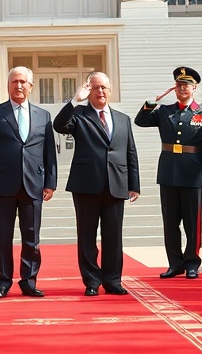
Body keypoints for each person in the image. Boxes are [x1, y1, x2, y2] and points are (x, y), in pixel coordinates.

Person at [56, 72, 139, 295]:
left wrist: (134, 184)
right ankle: (92, 281)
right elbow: (59, 125)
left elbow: (130, 151)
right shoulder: (80, 114)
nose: (100, 91)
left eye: (103, 87)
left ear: (110, 90)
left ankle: (113, 280)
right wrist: (75, 100)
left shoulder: (123, 119)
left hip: (116, 183)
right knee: (87, 236)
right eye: (95, 88)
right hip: (86, 184)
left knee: (113, 236)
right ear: (89, 91)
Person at [0, 66, 57, 298]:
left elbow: (49, 152)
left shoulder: (43, 116)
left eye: (23, 82)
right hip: (1, 188)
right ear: (8, 85)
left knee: (32, 238)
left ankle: (29, 281)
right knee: (1, 237)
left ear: (31, 86)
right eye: (14, 81)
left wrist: (50, 182)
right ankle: (3, 282)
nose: (19, 85)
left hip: (33, 185)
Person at [134, 67, 202, 280]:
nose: (182, 88)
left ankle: (192, 263)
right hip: (169, 172)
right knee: (170, 222)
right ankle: (174, 263)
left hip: (192, 172)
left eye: (186, 85)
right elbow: (140, 121)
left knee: (192, 222)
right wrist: (153, 101)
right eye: (179, 85)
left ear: (194, 87)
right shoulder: (164, 111)